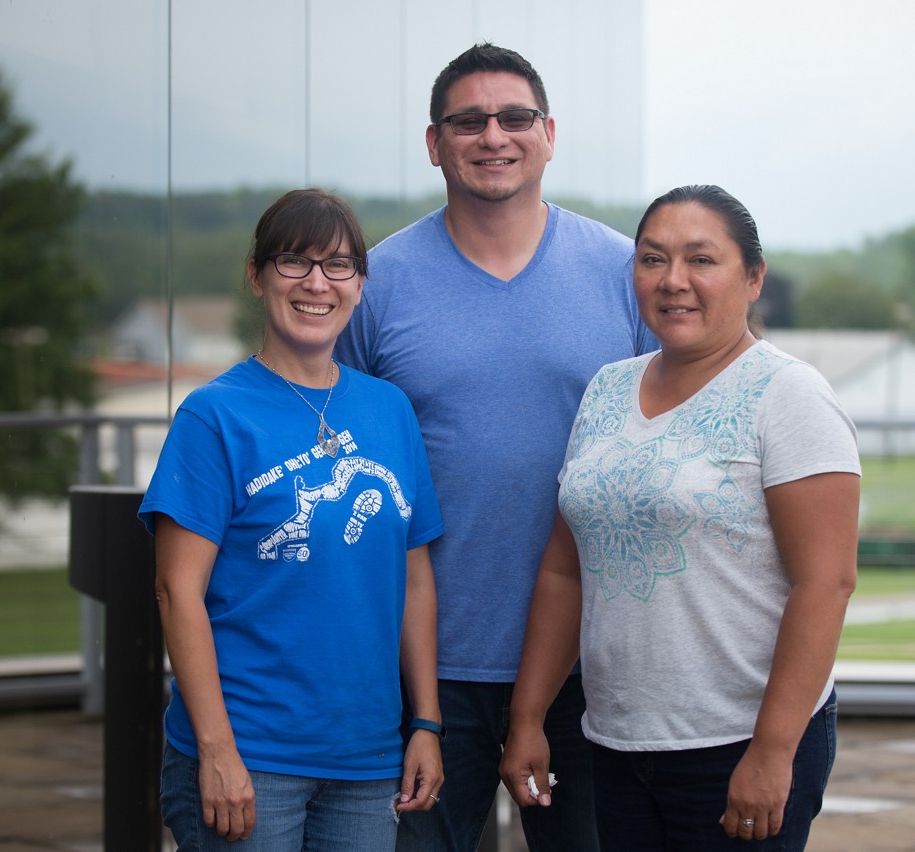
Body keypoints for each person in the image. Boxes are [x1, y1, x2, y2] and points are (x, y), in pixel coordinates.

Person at [335, 43, 656, 852]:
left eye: (514, 117)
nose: (493, 135)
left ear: (548, 133)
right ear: (435, 142)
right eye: (467, 120)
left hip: (594, 663)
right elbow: (337, 460)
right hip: (426, 669)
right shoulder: (377, 284)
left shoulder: (626, 273)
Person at [499, 185, 862, 851]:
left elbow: (827, 583)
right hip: (614, 741)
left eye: (702, 260)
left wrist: (773, 752)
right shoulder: (607, 389)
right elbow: (564, 569)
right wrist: (528, 717)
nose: (674, 282)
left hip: (736, 745)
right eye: (652, 259)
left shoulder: (790, 395)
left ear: (753, 278)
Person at [139, 188, 445, 851]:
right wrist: (217, 752)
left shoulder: (389, 410)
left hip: (366, 760)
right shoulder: (214, 416)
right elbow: (176, 591)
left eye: (338, 265)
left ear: (360, 285)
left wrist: (426, 721)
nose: (316, 283)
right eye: (293, 262)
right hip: (250, 754)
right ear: (256, 275)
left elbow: (414, 580)